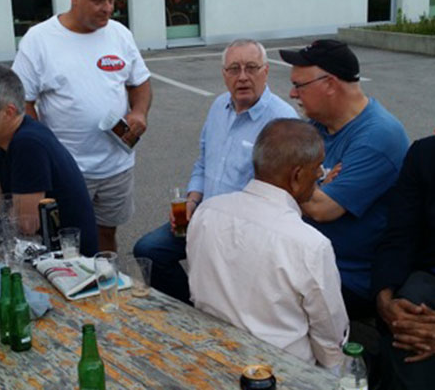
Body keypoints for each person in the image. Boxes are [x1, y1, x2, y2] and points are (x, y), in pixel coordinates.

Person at [132, 39, 297, 303]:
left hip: (243, 229)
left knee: (220, 284)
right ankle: (190, 308)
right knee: (148, 250)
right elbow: (203, 161)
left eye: (251, 68)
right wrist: (193, 199)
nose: (242, 77)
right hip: (203, 213)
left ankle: (210, 309)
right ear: (224, 75)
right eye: (234, 69)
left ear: (265, 71)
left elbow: (283, 196)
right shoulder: (219, 107)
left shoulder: (282, 121)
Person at [186, 119, 349, 367]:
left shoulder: (208, 211)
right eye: (317, 167)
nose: (320, 174)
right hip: (280, 371)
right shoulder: (310, 245)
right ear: (296, 176)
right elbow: (331, 339)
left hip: (211, 354)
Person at [12, 0, 152, 252]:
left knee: (106, 234)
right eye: (98, 0)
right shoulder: (39, 40)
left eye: (112, 0)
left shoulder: (120, 35)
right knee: (69, 240)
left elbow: (140, 83)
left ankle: (108, 286)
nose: (108, 8)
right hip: (68, 169)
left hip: (117, 164)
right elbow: (22, 101)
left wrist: (138, 112)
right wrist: (44, 147)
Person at [280, 40, 409, 319]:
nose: (292, 93)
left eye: (299, 85)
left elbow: (321, 209)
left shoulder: (378, 136)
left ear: (330, 84)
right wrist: (312, 185)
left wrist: (294, 179)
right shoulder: (315, 126)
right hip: (306, 260)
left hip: (344, 277)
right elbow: (268, 180)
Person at [0, 64, 98, 256]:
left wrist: (5, 213)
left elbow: (25, 226)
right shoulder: (1, 140)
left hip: (72, 262)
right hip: (43, 252)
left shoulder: (28, 144)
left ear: (8, 112)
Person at [372, 135, 435, 389]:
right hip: (428, 284)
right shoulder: (426, 153)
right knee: (409, 312)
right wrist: (384, 299)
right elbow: (399, 235)